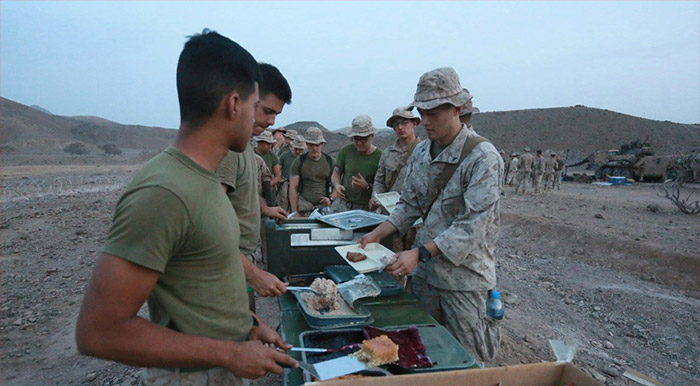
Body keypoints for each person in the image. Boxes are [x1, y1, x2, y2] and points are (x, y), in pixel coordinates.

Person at [75, 30, 297, 385]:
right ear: (234, 104)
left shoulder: (207, 179)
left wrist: (250, 327)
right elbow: (98, 332)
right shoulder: (164, 191)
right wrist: (230, 353)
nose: (265, 121)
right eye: (257, 107)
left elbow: (208, 278)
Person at [359, 67, 502, 363]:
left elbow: (470, 229)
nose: (424, 121)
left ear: (457, 109)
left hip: (464, 283)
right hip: (425, 278)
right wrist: (379, 233)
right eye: (422, 111)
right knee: (423, 354)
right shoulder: (422, 152)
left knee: (466, 361)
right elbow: (408, 205)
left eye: (434, 112)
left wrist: (418, 254)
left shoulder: (483, 158)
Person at [215, 62, 291, 302]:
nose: (270, 121)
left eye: (276, 115)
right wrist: (253, 273)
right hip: (227, 261)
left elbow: (244, 191)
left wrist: (265, 208)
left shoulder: (246, 146)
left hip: (242, 257)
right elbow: (209, 219)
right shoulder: (228, 151)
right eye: (267, 111)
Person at [370, 106, 421, 207]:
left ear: (414, 124)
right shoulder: (387, 153)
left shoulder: (425, 151)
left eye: (404, 122)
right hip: (389, 210)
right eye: (396, 124)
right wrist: (375, 197)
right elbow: (379, 180)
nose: (400, 127)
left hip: (415, 212)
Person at [330, 114, 382, 212]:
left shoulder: (380, 156)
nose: (359, 143)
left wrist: (366, 186)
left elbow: (383, 186)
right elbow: (336, 172)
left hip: (366, 208)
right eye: (356, 138)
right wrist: (337, 185)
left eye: (363, 139)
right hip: (343, 205)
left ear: (372, 136)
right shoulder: (346, 151)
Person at [289, 127, 334, 217]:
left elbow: (337, 185)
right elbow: (293, 187)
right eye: (311, 145)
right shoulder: (299, 162)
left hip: (324, 208)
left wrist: (330, 199)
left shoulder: (330, 161)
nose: (314, 148)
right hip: (304, 207)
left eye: (317, 145)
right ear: (306, 144)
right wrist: (294, 212)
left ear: (322, 144)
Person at [278, 135, 307, 211]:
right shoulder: (284, 155)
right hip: (285, 185)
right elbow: (278, 169)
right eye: (296, 149)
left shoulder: (305, 159)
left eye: (300, 149)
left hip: (299, 187)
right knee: (283, 205)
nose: (298, 151)